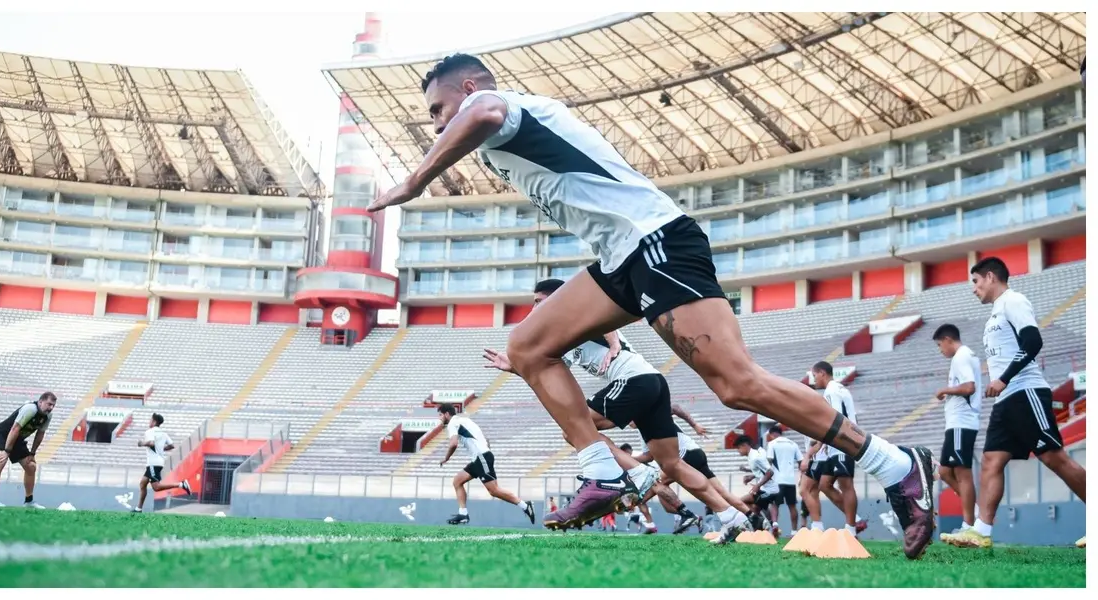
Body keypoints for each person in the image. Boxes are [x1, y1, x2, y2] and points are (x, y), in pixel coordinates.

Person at [369, 53, 935, 559]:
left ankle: (897, 464)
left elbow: (485, 112)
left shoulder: (502, 107)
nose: (438, 123)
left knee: (737, 386)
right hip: (622, 258)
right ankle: (602, 473)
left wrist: (416, 181)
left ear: (468, 87)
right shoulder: (501, 135)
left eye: (439, 108)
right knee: (527, 348)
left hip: (657, 241)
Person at [484, 279, 749, 541]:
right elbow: (552, 376)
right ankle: (731, 517)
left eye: (539, 303)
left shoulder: (572, 315)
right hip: (653, 381)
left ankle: (637, 472)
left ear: (556, 301)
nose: (534, 310)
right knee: (672, 464)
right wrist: (516, 369)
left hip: (634, 380)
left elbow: (603, 319)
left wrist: (613, 343)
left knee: (574, 428)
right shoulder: (559, 336)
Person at [944, 258, 1087, 549]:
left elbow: (1033, 342)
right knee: (991, 461)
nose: (974, 289)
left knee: (1053, 458)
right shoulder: (995, 314)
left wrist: (1005, 378)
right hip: (1006, 400)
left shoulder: (1014, 301)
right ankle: (981, 531)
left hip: (1026, 391)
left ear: (990, 276)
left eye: (976, 281)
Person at [437, 403, 535, 525]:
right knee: (457, 481)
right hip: (480, 458)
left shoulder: (453, 423)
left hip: (481, 457)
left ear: (447, 414)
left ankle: (525, 506)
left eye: (441, 415)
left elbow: (453, 444)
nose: (440, 418)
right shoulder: (464, 420)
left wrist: (446, 458)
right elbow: (484, 439)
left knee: (494, 490)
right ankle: (463, 514)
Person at [930, 324, 983, 538]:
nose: (940, 349)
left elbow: (969, 387)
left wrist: (945, 389)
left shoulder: (961, 356)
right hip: (956, 423)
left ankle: (969, 525)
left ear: (948, 339)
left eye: (940, 345)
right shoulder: (963, 356)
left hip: (962, 422)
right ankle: (976, 511)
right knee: (944, 472)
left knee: (962, 473)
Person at [804, 362, 861, 536]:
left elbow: (835, 418)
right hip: (838, 443)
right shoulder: (841, 389)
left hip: (844, 441)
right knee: (824, 484)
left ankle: (851, 528)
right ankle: (855, 520)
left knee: (846, 484)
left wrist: (821, 442)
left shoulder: (831, 391)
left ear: (822, 373)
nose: (814, 380)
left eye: (814, 376)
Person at [0, 392, 56, 507]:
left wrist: (32, 453)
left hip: (17, 439)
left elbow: (40, 434)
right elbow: (14, 429)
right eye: (49, 404)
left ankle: (29, 501)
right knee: (1, 461)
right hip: (2, 436)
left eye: (53, 405)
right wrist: (7, 451)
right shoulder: (30, 409)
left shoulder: (48, 416)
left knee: (31, 466)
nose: (51, 408)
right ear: (40, 401)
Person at [133, 413, 192, 513]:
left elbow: (151, 443)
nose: (149, 422)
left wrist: (141, 443)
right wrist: (161, 448)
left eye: (150, 420)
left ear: (154, 422)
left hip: (153, 463)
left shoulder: (149, 432)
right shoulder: (164, 434)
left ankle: (181, 484)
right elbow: (171, 445)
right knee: (143, 484)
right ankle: (138, 508)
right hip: (158, 462)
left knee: (156, 487)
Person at [734, 435, 781, 537]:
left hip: (768, 490)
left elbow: (770, 472)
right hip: (766, 489)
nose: (738, 451)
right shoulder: (752, 456)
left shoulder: (755, 457)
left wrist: (758, 485)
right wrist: (751, 477)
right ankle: (766, 527)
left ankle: (763, 524)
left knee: (739, 502)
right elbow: (761, 472)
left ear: (744, 445)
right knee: (754, 507)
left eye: (738, 448)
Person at [765, 425, 802, 533]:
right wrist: (801, 477)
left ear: (771, 434)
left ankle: (775, 524)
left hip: (777, 480)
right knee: (792, 506)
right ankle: (794, 531)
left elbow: (769, 462)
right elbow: (801, 462)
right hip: (790, 480)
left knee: (774, 504)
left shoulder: (772, 444)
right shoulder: (793, 444)